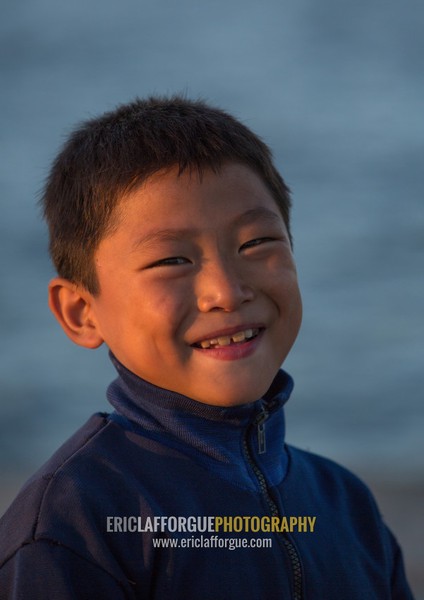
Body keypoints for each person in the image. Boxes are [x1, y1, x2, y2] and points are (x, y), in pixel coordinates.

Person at [0, 96, 414, 599]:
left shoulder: (346, 505)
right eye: (172, 260)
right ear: (81, 313)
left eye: (256, 244)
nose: (226, 291)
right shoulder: (74, 524)